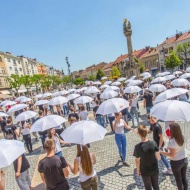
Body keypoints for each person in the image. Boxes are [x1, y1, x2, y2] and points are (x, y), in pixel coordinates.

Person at [160, 123, 188, 190]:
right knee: (184, 177)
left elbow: (172, 155)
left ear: (173, 131)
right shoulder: (183, 137)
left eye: (170, 129)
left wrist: (161, 152)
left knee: (178, 179)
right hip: (185, 159)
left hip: (176, 162)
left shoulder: (172, 142)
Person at [133, 125, 161, 190]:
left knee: (148, 187)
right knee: (156, 186)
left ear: (139, 134)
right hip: (154, 169)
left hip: (145, 171)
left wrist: (138, 169)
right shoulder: (153, 143)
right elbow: (158, 157)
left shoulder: (137, 147)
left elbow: (137, 160)